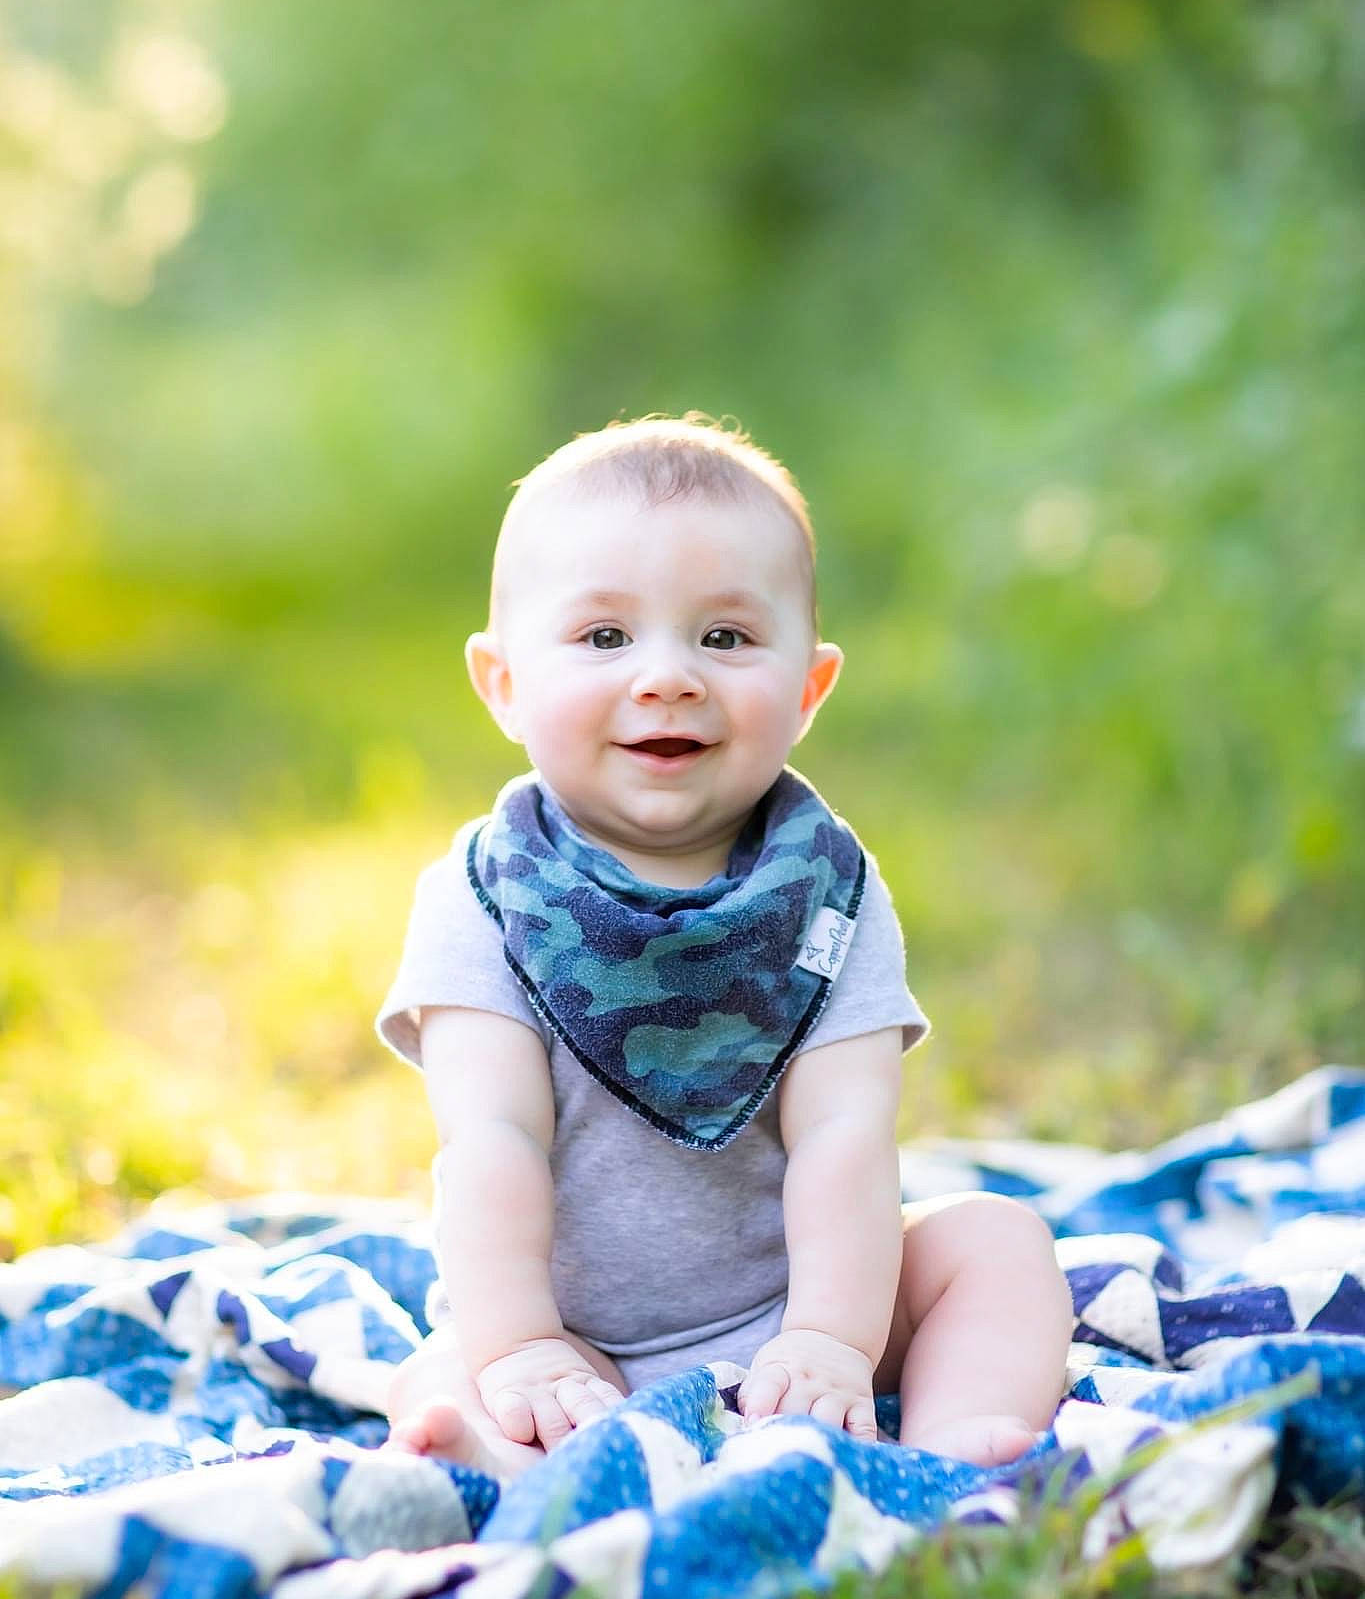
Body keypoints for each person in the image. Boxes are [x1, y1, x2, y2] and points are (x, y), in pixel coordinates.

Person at [376, 415, 1073, 1478]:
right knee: (444, 1363)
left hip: (796, 1310)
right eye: (605, 637)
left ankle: (955, 1442)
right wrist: (520, 1346)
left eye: (726, 637)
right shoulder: (487, 895)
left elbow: (846, 1130)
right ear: (503, 681)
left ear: (809, 686)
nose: (669, 676)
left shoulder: (827, 891)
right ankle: (488, 1452)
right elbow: (494, 1140)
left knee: (998, 1243)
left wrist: (832, 1339)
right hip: (578, 1336)